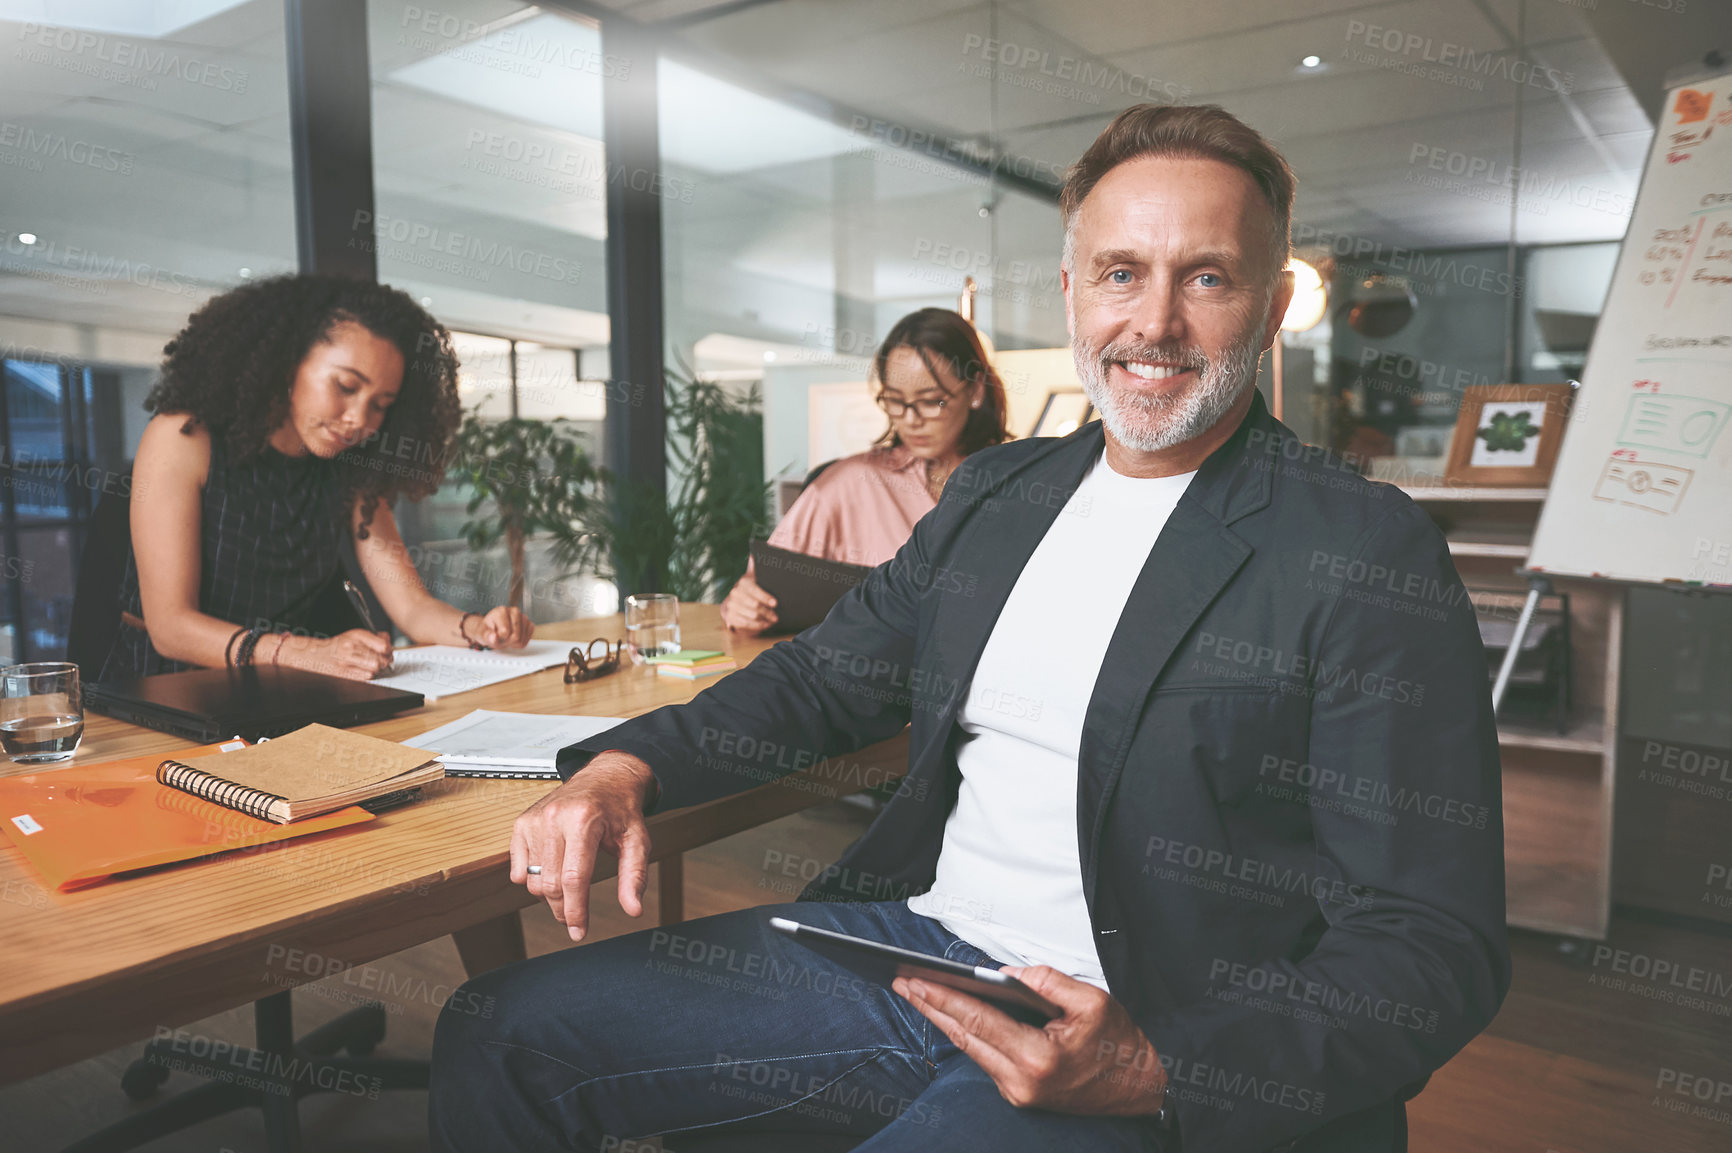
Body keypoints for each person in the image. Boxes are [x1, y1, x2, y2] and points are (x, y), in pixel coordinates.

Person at [430, 104, 1508, 1153]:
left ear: (1270, 309)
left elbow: (1431, 942)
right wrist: (620, 768)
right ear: (1072, 290)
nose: (1155, 323)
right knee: (499, 1031)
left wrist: (1163, 1069)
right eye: (1120, 272)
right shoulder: (1000, 494)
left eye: (1209, 277)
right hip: (929, 957)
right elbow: (821, 681)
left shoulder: (1362, 552)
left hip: (1152, 1024)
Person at [99, 275, 533, 683]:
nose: (359, 420)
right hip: (169, 692)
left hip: (281, 687)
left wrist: (477, 628)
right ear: (286, 364)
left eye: (381, 404)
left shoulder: (353, 466)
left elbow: (413, 608)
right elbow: (171, 628)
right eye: (345, 386)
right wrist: (306, 653)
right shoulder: (184, 437)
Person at [719, 308, 1010, 635]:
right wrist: (743, 600)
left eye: (932, 401)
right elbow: (765, 582)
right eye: (895, 400)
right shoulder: (848, 482)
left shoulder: (1019, 486)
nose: (911, 419)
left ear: (975, 391)